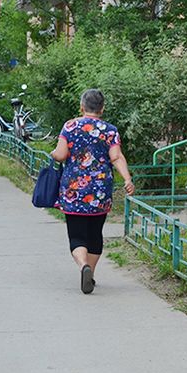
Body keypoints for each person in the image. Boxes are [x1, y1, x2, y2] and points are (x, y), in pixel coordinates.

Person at [50, 89, 134, 294]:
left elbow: (60, 155)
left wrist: (53, 153)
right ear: (102, 108)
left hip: (74, 190)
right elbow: (116, 157)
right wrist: (127, 179)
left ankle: (83, 266)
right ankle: (91, 274)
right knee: (95, 233)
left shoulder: (70, 126)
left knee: (77, 235)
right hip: (100, 191)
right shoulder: (110, 130)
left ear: (81, 106)